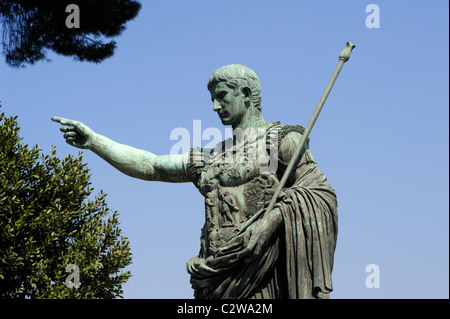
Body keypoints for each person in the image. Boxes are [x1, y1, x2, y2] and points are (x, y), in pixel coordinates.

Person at [52, 64, 338, 299]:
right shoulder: (211, 157)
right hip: (212, 278)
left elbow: (320, 195)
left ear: (246, 94)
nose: (215, 106)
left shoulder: (282, 141)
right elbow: (151, 166)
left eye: (222, 96)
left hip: (260, 278)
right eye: (212, 98)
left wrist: (272, 221)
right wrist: (94, 141)